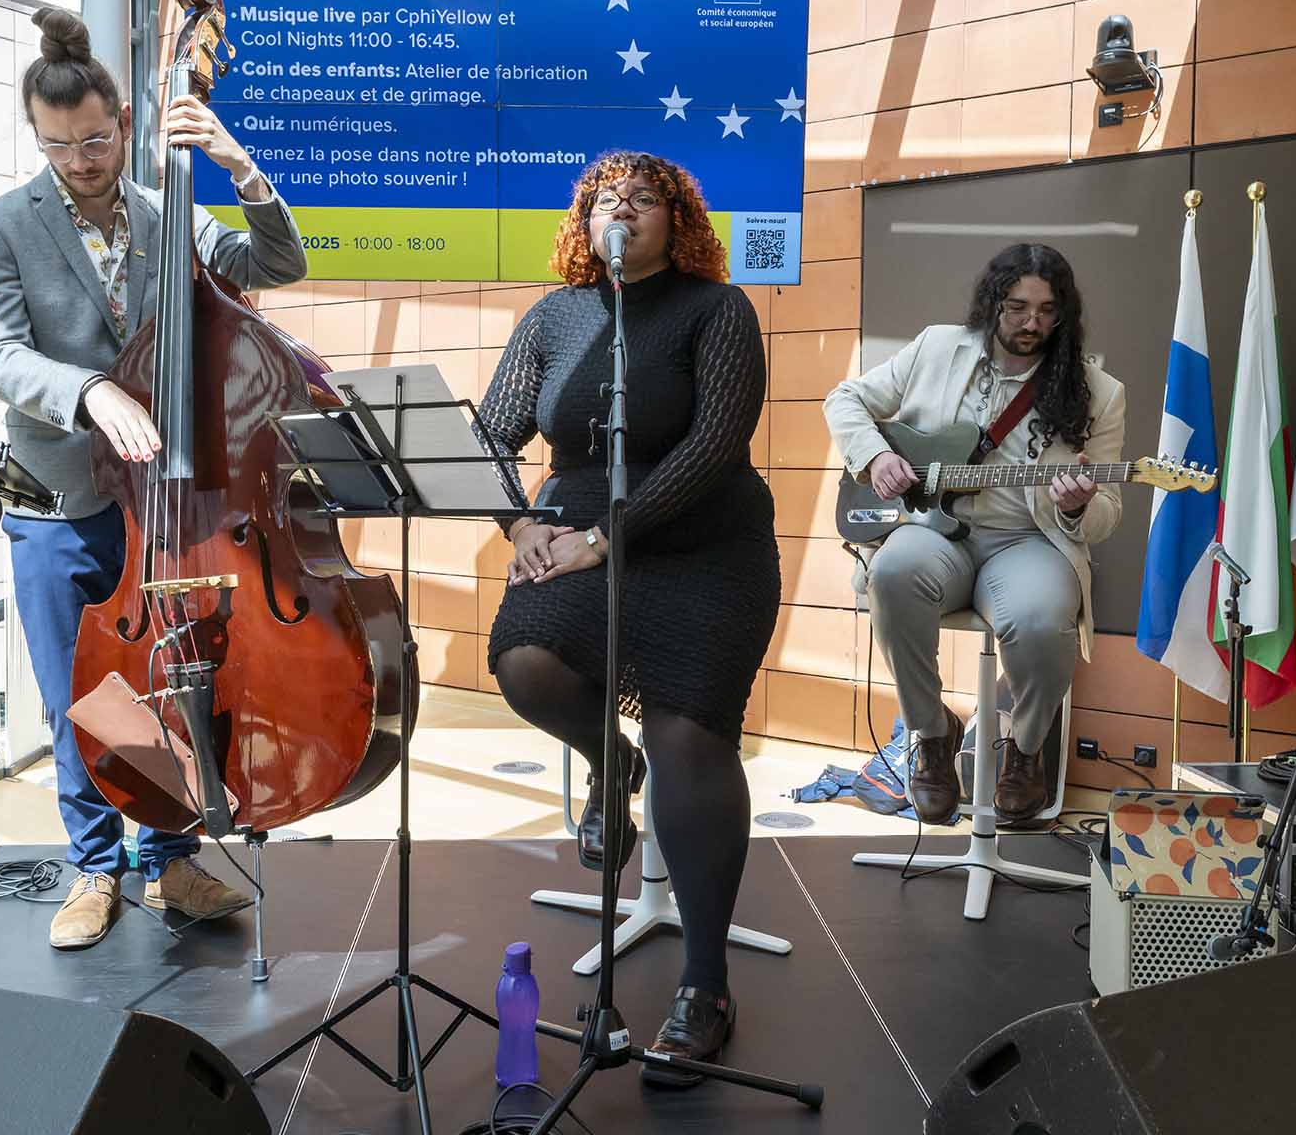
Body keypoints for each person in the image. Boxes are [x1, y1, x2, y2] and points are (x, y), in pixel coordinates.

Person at [0, 7, 308, 950]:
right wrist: (88, 391)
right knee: (77, 690)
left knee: (170, 676)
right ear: (37, 136)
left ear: (124, 123)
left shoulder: (171, 211)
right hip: (61, 498)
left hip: (170, 502)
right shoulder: (1, 227)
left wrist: (239, 166)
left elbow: (277, 263)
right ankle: (94, 866)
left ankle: (172, 860)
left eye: (95, 140)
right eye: (58, 144)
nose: (79, 160)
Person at [475, 152, 778, 1087]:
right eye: (608, 199)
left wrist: (607, 536)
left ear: (676, 220)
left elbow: (716, 444)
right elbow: (492, 436)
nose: (625, 209)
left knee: (690, 737)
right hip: (573, 533)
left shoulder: (717, 310)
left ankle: (704, 987)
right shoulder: (555, 316)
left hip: (703, 544)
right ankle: (613, 761)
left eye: (646, 199)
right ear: (586, 221)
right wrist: (520, 523)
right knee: (526, 661)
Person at [823, 244, 1125, 825]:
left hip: (1029, 541)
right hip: (935, 532)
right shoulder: (936, 347)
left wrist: (1077, 507)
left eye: (1047, 310)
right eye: (1017, 307)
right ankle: (932, 735)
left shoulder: (1100, 391)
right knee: (892, 571)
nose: (1031, 322)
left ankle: (1025, 752)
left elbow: (1108, 509)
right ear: (992, 302)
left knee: (1041, 619)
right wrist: (877, 456)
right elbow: (846, 399)